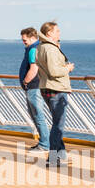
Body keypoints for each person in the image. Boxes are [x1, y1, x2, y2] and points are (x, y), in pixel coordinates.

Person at [35, 21, 75, 167]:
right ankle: (52, 158)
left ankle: (61, 155)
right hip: (56, 89)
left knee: (57, 123)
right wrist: (68, 68)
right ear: (49, 33)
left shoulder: (41, 47)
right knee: (58, 125)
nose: (59, 33)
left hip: (47, 88)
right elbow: (54, 71)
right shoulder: (50, 49)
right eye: (57, 31)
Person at [19, 28, 49, 154]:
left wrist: (25, 81)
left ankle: (44, 144)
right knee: (36, 115)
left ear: (32, 38)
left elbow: (33, 69)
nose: (23, 42)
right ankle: (43, 142)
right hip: (38, 86)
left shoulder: (33, 49)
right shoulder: (39, 47)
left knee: (37, 115)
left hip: (34, 87)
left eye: (25, 40)